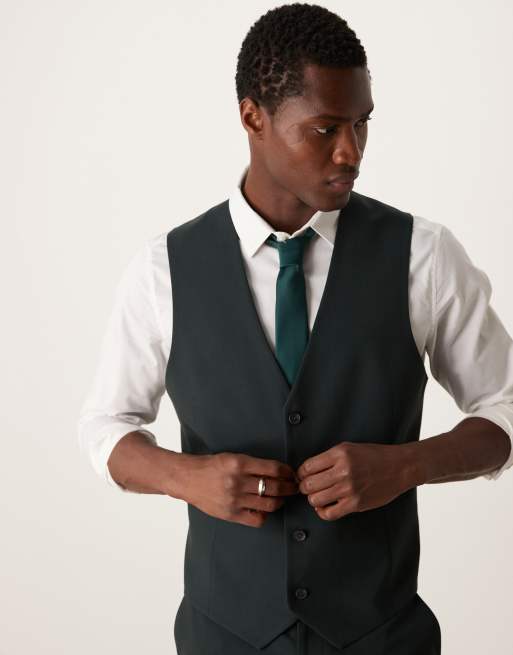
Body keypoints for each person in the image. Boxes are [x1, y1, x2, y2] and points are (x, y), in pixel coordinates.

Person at [77, 3, 513, 653]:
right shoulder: (162, 270)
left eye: (362, 124)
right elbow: (105, 426)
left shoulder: (422, 256)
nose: (350, 152)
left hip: (383, 634)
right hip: (222, 635)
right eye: (324, 128)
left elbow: (504, 407)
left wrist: (405, 464)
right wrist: (186, 477)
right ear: (253, 117)